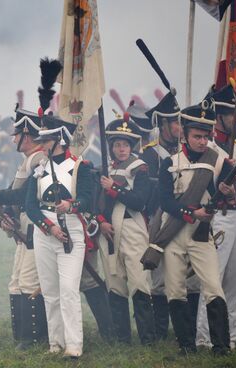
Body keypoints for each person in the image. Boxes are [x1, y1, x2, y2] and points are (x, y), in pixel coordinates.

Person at [143, 97, 235, 356]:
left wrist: (226, 192)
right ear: (184, 133)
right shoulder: (170, 163)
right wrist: (193, 211)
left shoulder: (216, 160)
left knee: (213, 287)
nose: (202, 142)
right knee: (175, 290)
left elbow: (229, 195)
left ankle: (221, 346)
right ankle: (186, 345)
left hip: (200, 234)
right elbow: (165, 201)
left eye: (206, 137)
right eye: (197, 136)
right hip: (173, 233)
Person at [0, 106, 48, 350]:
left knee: (28, 281)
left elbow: (23, 194)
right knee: (16, 282)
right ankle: (21, 337)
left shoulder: (40, 160)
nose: (13, 138)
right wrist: (8, 216)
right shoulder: (29, 160)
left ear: (27, 135)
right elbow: (17, 197)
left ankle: (33, 339)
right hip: (25, 224)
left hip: (37, 226)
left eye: (16, 134)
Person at [195, 82, 236, 350]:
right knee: (214, 281)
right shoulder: (207, 147)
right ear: (219, 116)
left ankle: (230, 337)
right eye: (232, 114)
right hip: (217, 217)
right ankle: (204, 337)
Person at [25, 113, 94, 358]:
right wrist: (48, 227)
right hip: (45, 231)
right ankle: (55, 343)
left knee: (68, 290)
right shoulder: (39, 168)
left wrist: (72, 206)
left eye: (46, 140)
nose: (41, 145)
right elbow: (30, 206)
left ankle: (73, 346)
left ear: (59, 140)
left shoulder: (80, 166)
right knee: (50, 290)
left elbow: (89, 199)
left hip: (71, 228)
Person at [140, 90, 200, 341]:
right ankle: (160, 332)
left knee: (193, 277)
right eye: (174, 122)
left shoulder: (189, 152)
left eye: (180, 122)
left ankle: (191, 329)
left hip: (190, 217)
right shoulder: (151, 154)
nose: (179, 126)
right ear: (163, 124)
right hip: (160, 216)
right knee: (159, 277)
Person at [97, 115, 156, 345]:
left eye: (125, 145)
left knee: (139, 283)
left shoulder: (139, 169)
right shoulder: (106, 169)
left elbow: (139, 202)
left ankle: (148, 339)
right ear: (111, 148)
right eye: (117, 145)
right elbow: (97, 203)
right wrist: (101, 221)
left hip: (133, 230)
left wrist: (114, 188)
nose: (121, 149)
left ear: (131, 147)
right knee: (115, 283)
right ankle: (122, 338)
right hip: (110, 232)